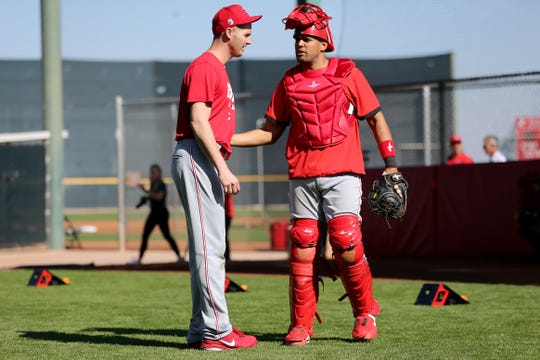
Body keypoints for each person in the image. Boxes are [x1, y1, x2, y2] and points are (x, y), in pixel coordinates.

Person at [231, 2, 396, 345]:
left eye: (306, 37)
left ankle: (365, 313)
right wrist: (226, 138)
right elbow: (270, 132)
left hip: (343, 171)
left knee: (346, 241)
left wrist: (391, 165)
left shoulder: (348, 73)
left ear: (324, 42)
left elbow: (376, 119)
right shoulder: (288, 81)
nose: (299, 44)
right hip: (303, 173)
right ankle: (301, 325)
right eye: (296, 39)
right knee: (303, 246)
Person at [170, 4, 261, 351]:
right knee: (210, 249)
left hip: (200, 156)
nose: (250, 40)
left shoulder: (215, 68)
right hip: (198, 154)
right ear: (228, 32)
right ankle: (217, 331)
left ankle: (202, 328)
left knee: (209, 248)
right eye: (246, 32)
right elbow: (197, 121)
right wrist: (222, 168)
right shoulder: (206, 66)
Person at [132, 164, 182, 264]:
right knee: (145, 235)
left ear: (159, 173)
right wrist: (141, 202)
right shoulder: (153, 184)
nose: (151, 174)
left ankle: (179, 258)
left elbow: (158, 197)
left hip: (161, 214)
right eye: (151, 172)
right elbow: (150, 198)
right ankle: (139, 259)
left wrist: (145, 191)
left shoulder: (161, 184)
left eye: (154, 172)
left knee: (167, 235)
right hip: (154, 213)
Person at [224, 193, 234, 262]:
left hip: (227, 214)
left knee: (224, 235)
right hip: (227, 213)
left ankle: (227, 256)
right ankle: (226, 256)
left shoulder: (225, 188)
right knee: (223, 235)